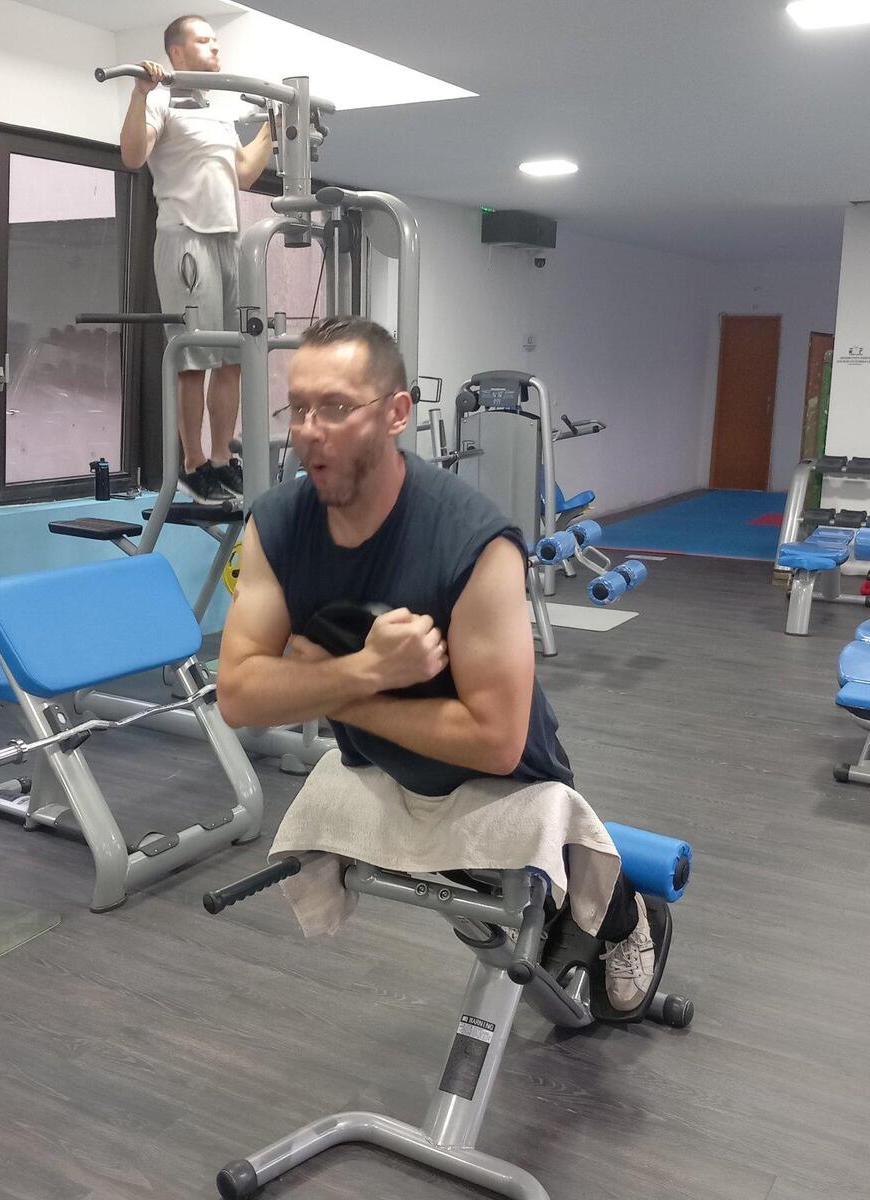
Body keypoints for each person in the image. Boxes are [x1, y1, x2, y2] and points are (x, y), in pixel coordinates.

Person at [217, 316, 655, 1010]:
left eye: (335, 407)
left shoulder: (476, 542)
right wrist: (367, 672)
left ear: (397, 413)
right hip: (384, 765)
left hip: (507, 776)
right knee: (482, 897)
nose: (308, 431)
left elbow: (495, 739)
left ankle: (628, 918)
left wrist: (319, 687)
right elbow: (240, 695)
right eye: (296, 409)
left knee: (541, 876)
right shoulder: (275, 525)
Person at [119, 15, 273, 504]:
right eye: (204, 41)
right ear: (177, 52)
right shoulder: (160, 102)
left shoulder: (219, 111)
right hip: (186, 239)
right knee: (194, 358)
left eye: (216, 41)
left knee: (234, 357)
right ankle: (193, 464)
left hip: (229, 240)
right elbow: (132, 156)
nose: (215, 49)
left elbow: (243, 174)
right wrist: (140, 93)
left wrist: (275, 128)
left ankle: (222, 460)